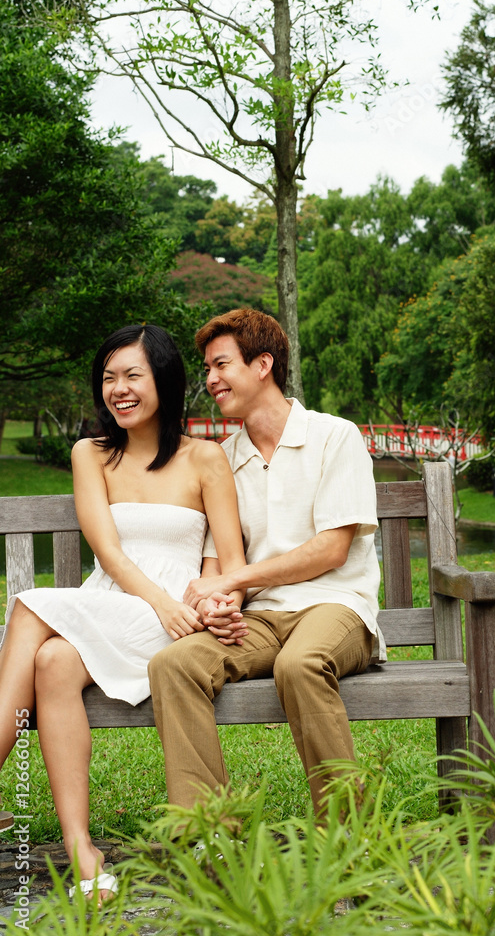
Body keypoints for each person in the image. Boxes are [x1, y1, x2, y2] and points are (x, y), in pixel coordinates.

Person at [0, 324, 246, 901]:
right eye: (109, 377)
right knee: (52, 662)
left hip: (172, 622)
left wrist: (215, 603)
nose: (119, 389)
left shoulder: (205, 458)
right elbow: (108, 552)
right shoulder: (91, 454)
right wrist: (158, 603)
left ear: (164, 380)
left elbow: (230, 561)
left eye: (133, 375)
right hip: (117, 602)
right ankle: (83, 854)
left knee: (28, 607)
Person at [148, 308, 384, 818]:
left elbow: (332, 549)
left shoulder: (334, 436)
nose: (210, 380)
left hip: (336, 606)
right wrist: (217, 603)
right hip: (258, 619)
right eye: (207, 369)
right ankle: (208, 830)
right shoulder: (222, 459)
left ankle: (348, 833)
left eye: (221, 365)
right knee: (174, 664)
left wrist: (235, 579)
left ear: (262, 365)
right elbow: (216, 562)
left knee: (299, 665)